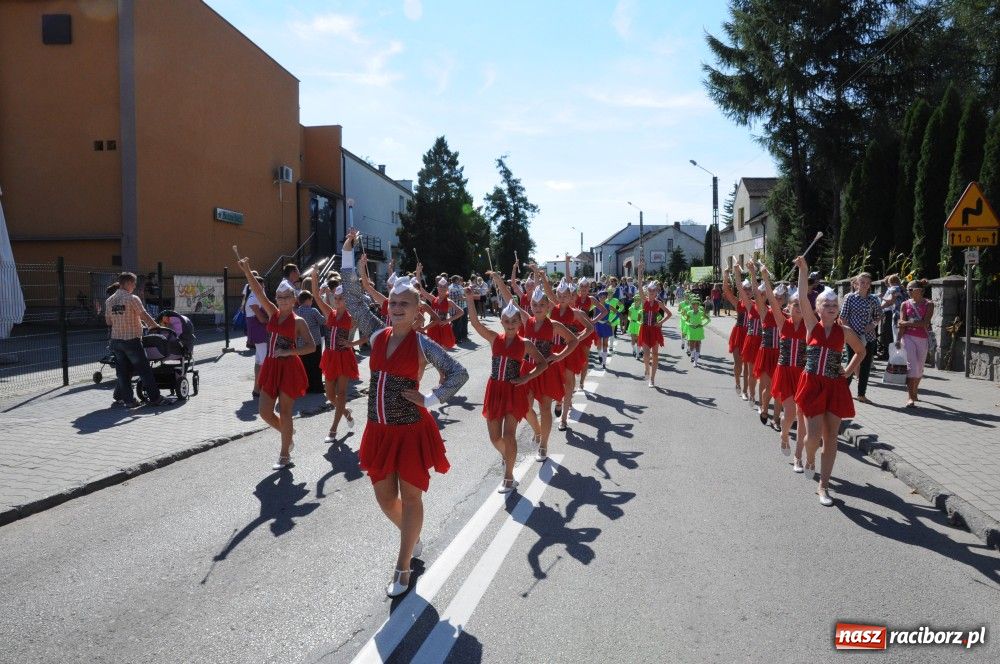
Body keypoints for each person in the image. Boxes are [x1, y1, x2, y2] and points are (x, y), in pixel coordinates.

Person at [341, 232, 469, 598]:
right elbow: (352, 299)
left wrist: (430, 398)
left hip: (410, 430)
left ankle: (403, 566)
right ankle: (411, 536)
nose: (396, 307)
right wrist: (347, 256)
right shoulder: (376, 333)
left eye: (404, 304)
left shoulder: (423, 343)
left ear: (417, 312)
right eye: (393, 302)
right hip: (379, 431)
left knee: (411, 497)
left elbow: (459, 373)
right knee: (384, 498)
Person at [793, 255, 866, 506]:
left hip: (835, 386)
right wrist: (804, 269)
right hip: (812, 385)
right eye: (827, 304)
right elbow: (802, 297)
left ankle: (824, 486)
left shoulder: (844, 331)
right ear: (818, 308)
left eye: (835, 304)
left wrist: (848, 369)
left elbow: (861, 351)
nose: (832, 307)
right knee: (812, 437)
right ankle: (809, 457)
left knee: (831, 436)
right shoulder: (811, 326)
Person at [490, 268, 580, 461]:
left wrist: (558, 355)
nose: (538, 308)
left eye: (541, 305)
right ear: (530, 305)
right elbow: (510, 299)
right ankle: (538, 431)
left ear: (548, 306)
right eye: (534, 304)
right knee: (526, 408)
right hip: (526, 369)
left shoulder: (554, 325)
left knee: (545, 408)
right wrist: (499, 281)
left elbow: (574, 341)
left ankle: (544, 444)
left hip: (545, 371)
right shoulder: (525, 320)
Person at [236, 255, 315, 470]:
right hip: (271, 366)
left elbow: (311, 346)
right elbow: (259, 293)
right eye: (279, 297)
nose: (282, 300)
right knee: (264, 412)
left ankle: (284, 455)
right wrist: (247, 271)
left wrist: (290, 351)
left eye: (286, 297)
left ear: (294, 299)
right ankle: (288, 433)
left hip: (289, 367)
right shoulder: (272, 312)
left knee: (286, 412)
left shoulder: (298, 321)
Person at [466, 290, 549, 492]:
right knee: (495, 438)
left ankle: (509, 476)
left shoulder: (525, 344)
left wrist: (526, 377)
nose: (511, 323)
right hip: (494, 390)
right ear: (501, 321)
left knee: (509, 435)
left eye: (514, 320)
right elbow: (476, 324)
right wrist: (469, 300)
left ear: (520, 323)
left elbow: (542, 364)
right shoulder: (495, 339)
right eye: (506, 320)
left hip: (513, 391)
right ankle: (507, 455)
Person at [760, 271, 806, 460]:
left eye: (802, 306)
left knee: (800, 413)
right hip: (785, 371)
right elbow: (770, 298)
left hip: (803, 374)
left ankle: (798, 456)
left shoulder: (810, 325)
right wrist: (765, 278)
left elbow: (805, 293)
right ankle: (784, 435)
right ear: (789, 306)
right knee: (790, 412)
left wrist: (802, 269)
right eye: (796, 305)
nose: (800, 309)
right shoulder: (782, 322)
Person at [311, 279, 364, 440]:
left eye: (341, 298)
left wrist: (352, 343)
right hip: (330, 356)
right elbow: (316, 296)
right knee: (329, 395)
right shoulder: (330, 313)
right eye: (336, 298)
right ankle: (346, 412)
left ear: (347, 300)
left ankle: (333, 430)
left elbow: (369, 332)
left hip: (344, 357)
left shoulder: (352, 317)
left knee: (341, 394)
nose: (338, 301)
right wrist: (314, 276)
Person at [104, 272, 165, 407]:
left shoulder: (109, 301)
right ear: (127, 283)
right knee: (144, 370)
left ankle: (129, 401)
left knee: (123, 372)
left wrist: (119, 319)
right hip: (132, 340)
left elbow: (108, 321)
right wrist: (155, 326)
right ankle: (155, 398)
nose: (134, 286)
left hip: (116, 341)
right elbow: (143, 315)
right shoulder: (132, 298)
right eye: (133, 283)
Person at [839, 271, 882, 403]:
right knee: (851, 364)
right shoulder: (850, 297)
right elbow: (843, 317)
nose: (864, 285)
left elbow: (879, 315)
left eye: (867, 283)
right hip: (852, 336)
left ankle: (861, 394)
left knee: (865, 366)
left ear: (870, 285)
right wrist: (849, 332)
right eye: (862, 282)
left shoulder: (874, 299)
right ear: (857, 283)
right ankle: (842, 393)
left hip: (868, 337)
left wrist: (873, 324)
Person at [747, 263, 780, 425]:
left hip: (781, 355)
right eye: (776, 297)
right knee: (767, 385)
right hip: (767, 352)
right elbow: (755, 293)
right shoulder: (765, 311)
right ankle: (764, 408)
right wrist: (754, 273)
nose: (779, 301)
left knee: (779, 388)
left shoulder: (788, 315)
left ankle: (776, 418)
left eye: (782, 298)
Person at [898, 279, 933, 408]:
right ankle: (910, 397)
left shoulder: (929, 304)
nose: (908, 291)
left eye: (911, 289)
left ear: (920, 290)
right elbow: (900, 323)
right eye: (907, 289)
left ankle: (914, 391)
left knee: (919, 368)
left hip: (922, 338)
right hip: (908, 337)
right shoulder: (904, 304)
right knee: (911, 367)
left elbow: (925, 323)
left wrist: (906, 323)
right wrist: (898, 339)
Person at [637, 262, 673, 387]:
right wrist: (640, 271)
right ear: (647, 293)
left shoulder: (659, 303)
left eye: (653, 293)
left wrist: (660, 323)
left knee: (656, 355)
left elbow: (669, 314)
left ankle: (652, 379)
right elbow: (640, 286)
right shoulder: (644, 301)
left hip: (655, 330)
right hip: (645, 329)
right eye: (650, 292)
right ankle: (646, 368)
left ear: (656, 293)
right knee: (646, 354)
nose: (651, 294)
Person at [721, 267, 749, 395]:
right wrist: (726, 276)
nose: (748, 292)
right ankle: (737, 382)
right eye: (745, 289)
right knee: (739, 364)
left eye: (750, 289)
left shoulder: (758, 305)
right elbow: (726, 291)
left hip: (751, 335)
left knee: (748, 366)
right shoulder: (738, 303)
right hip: (739, 334)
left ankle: (745, 390)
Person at [295, 291, 326, 394]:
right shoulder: (313, 311)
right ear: (308, 300)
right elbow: (323, 321)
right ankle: (317, 387)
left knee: (305, 365)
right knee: (316, 365)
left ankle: (307, 387)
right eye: (311, 299)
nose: (312, 301)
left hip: (301, 343)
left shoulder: (296, 312)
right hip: (314, 342)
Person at [418, 277, 462, 349]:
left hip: (443, 327)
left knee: (443, 349)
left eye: (444, 287)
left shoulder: (449, 301)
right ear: (437, 288)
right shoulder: (433, 299)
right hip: (432, 326)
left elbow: (461, 312)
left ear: (447, 289)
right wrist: (418, 273)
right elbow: (421, 290)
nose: (442, 288)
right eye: (440, 287)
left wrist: (448, 320)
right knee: (432, 349)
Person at [681, 297, 710, 367]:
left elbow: (708, 320)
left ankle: (695, 361)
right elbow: (686, 321)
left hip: (699, 330)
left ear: (698, 305)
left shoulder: (701, 312)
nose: (694, 306)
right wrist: (690, 324)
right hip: (691, 330)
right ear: (692, 305)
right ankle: (692, 356)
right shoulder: (689, 312)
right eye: (693, 304)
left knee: (697, 345)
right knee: (691, 346)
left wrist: (702, 324)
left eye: (696, 304)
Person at [880, 274, 905, 356]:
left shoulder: (894, 288)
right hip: (904, 314)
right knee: (903, 336)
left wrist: (882, 298)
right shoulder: (902, 289)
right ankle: (903, 355)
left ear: (890, 282)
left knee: (896, 336)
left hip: (897, 314)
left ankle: (898, 356)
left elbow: (891, 301)